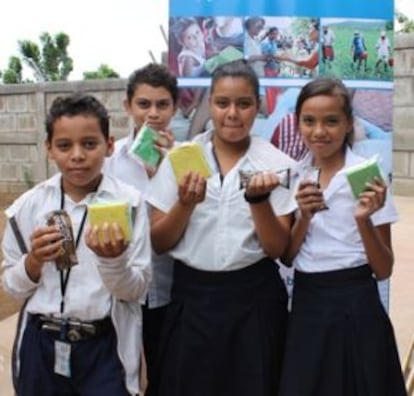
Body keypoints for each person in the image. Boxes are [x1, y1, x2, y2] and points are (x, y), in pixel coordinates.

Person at [146, 59, 297, 396]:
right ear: (209, 103)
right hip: (192, 299)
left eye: (244, 104)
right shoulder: (181, 158)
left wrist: (258, 202)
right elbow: (158, 241)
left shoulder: (277, 164)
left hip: (253, 300)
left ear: (257, 107)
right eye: (222, 103)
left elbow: (278, 249)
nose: (232, 113)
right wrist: (184, 204)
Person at [1, 93, 152, 396]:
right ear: (49, 149)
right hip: (41, 343)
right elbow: (11, 286)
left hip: (104, 346)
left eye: (89, 143)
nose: (77, 155)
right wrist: (32, 263)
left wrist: (114, 261)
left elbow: (136, 290)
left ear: (109, 146)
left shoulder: (130, 205)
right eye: (64, 145)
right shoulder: (28, 207)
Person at [278, 78, 407, 396]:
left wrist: (363, 220)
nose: (319, 132)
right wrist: (304, 217)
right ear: (298, 123)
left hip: (356, 300)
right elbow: (287, 255)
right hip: (308, 302)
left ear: (349, 123)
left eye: (331, 121)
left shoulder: (365, 174)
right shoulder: (295, 173)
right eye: (309, 121)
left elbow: (383, 269)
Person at [104, 63, 178, 390]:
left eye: (162, 104)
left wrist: (161, 172)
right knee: (118, 372)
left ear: (175, 107)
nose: (153, 113)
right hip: (120, 287)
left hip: (171, 285)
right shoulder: (110, 160)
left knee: (166, 374)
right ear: (128, 107)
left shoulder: (187, 158)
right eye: (144, 104)